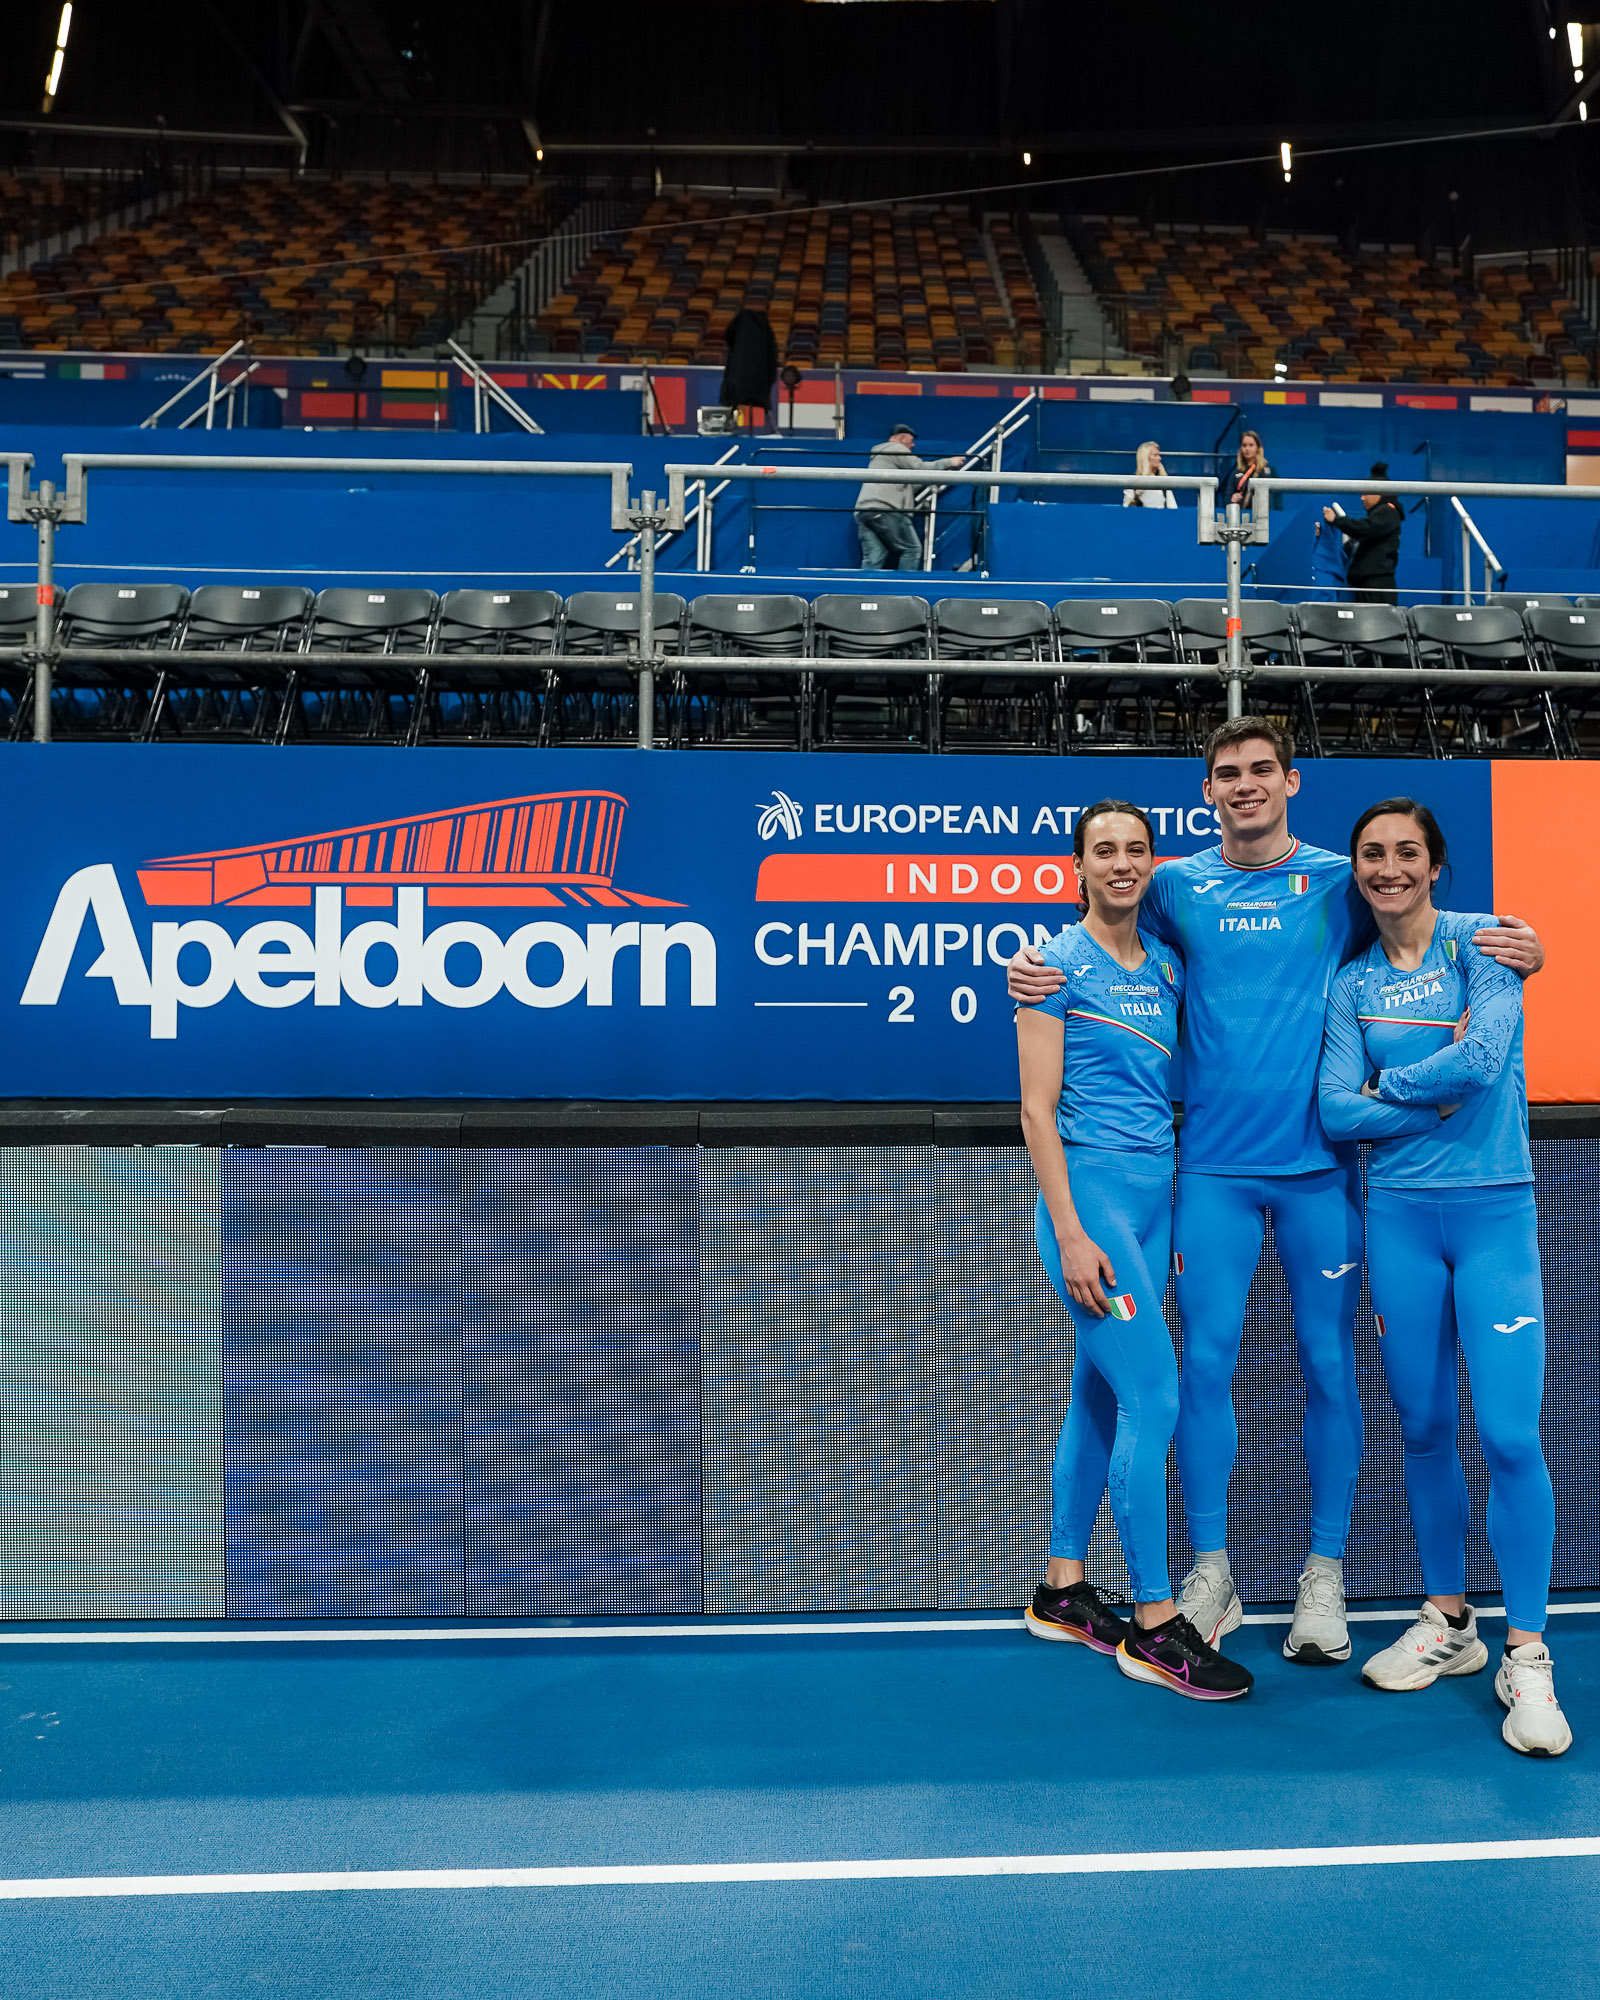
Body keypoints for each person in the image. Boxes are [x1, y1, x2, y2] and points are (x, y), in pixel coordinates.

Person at [1006, 719, 1545, 1666]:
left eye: (1262, 770)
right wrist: (1030, 966)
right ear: (1207, 791)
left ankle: (1323, 1576)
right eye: (1228, 773)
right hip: (1210, 1175)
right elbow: (1100, 926)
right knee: (1201, 1371)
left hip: (1320, 1174)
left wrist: (1518, 941)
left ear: (1292, 781)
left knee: (1330, 1368)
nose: (1246, 784)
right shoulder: (1172, 884)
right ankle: (1209, 1571)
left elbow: (1427, 917)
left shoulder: (1344, 879)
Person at [1318, 798, 1569, 1755]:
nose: (1389, 868)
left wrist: (1391, 1086)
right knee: (1424, 1429)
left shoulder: (1485, 943)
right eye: (1372, 854)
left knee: (1509, 1435)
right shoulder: (1351, 983)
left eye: (1407, 852)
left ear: (1435, 863)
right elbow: (1335, 1113)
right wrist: (1425, 1100)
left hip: (1493, 1212)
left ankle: (1528, 1655)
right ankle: (1450, 1623)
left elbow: (1487, 1060)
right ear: (1358, 869)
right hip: (1398, 1219)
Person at [1019, 799, 1252, 1701]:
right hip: (1094, 1210)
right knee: (1155, 1395)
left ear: (1151, 864)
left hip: (1156, 1202)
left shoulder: (1164, 963)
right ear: (1076, 867)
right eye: (1104, 851)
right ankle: (1155, 1625)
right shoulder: (1053, 965)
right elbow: (1036, 1110)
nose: (1122, 863)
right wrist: (1072, 1233)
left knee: (1100, 1392)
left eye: (1136, 850)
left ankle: (1063, 1588)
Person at [854, 425, 961, 571]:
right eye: (911, 441)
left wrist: (940, 474)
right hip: (887, 508)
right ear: (902, 438)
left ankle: (863, 586)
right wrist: (949, 463)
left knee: (874, 556)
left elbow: (912, 484)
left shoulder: (882, 460)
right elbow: (920, 468)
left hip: (864, 511)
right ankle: (904, 585)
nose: (913, 445)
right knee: (911, 550)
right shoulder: (895, 448)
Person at [1323, 464, 1404, 603]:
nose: (1362, 498)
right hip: (1367, 584)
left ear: (1379, 493)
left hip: (1376, 587)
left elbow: (1365, 528)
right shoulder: (1382, 514)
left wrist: (1337, 520)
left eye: (1365, 494)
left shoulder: (1388, 512)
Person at [717, 300, 777, 430]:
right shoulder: (766, 331)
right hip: (759, 383)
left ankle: (727, 426)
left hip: (738, 380)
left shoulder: (739, 332)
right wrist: (771, 378)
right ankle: (773, 429)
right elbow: (773, 356)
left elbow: (728, 335)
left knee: (732, 401)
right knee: (763, 404)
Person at [1223, 428, 1271, 511]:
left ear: (1258, 448)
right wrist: (1232, 499)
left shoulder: (1266, 470)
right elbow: (1227, 495)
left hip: (1262, 514)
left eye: (1251, 445)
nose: (1247, 449)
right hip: (1240, 514)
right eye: (1244, 445)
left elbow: (1274, 498)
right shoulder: (1236, 471)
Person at [1123, 441, 1178, 508]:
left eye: (1159, 455)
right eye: (1155, 455)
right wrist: (1137, 496)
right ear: (1145, 458)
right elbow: (1127, 510)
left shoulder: (1163, 482)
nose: (1159, 458)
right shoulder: (1132, 482)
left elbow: (1173, 508)